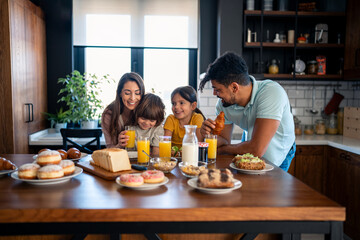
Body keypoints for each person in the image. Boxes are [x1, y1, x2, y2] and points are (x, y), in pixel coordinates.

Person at [199, 52, 296, 171]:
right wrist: (210, 136)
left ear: (234, 87)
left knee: (271, 188)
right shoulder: (223, 104)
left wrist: (224, 149)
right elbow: (224, 140)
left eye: (218, 90)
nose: (215, 94)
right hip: (251, 146)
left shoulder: (271, 93)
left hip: (280, 149)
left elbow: (256, 149)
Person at [101, 72, 145, 148]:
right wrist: (119, 145)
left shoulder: (147, 110)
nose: (133, 98)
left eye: (137, 93)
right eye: (127, 93)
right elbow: (110, 149)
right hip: (119, 158)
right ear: (120, 93)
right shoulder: (109, 114)